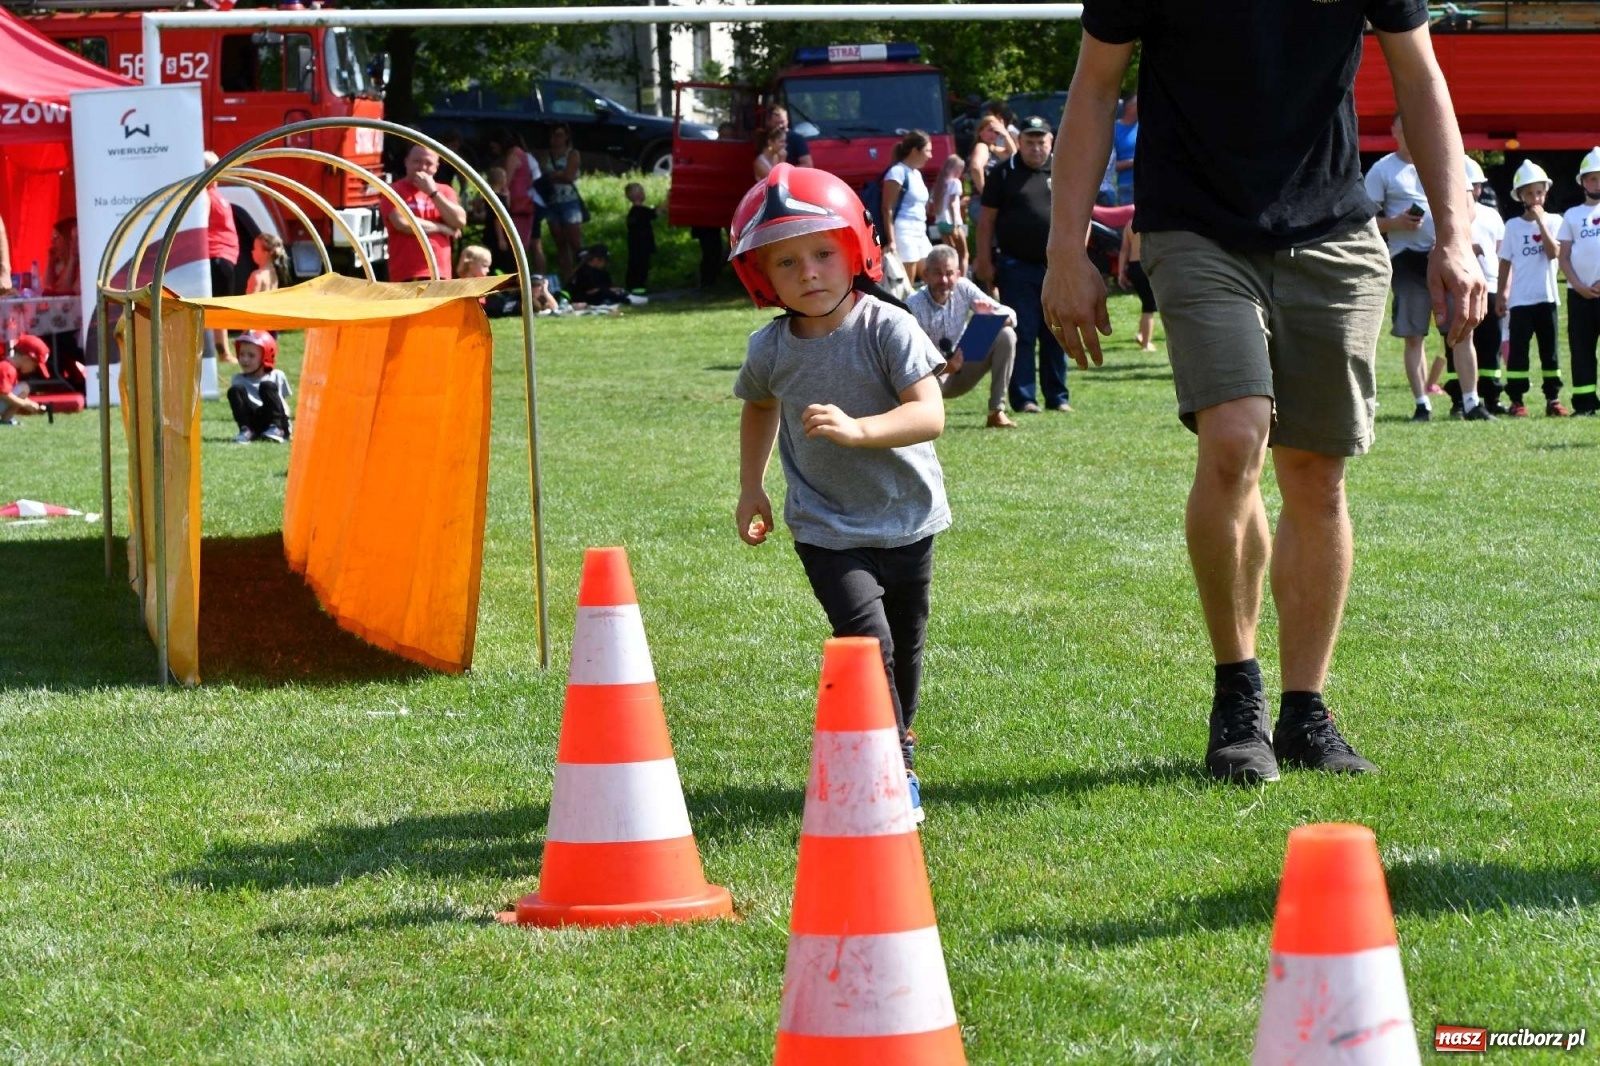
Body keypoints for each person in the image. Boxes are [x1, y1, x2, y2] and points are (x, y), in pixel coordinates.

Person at [1044, 0, 1486, 782]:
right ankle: (1238, 700)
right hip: (1196, 228)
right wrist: (1064, 250)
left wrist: (1456, 233)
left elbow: (1420, 78)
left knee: (1316, 472)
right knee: (1235, 435)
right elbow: (1096, 85)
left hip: (1333, 229)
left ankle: (1305, 712)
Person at [731, 162, 948, 822]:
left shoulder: (887, 327)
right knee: (866, 641)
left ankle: (899, 738)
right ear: (762, 278)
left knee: (905, 644)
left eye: (823, 253)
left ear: (856, 249)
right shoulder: (771, 348)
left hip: (907, 518)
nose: (809, 272)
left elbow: (930, 413)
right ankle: (893, 768)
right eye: (787, 262)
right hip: (825, 526)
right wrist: (751, 487)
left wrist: (860, 430)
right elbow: (759, 407)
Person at [977, 115, 1071, 414]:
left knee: (1057, 332)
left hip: (1056, 269)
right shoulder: (1003, 173)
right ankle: (1024, 397)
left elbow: (1080, 219)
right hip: (1015, 266)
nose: (1036, 148)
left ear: (1051, 142)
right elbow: (986, 221)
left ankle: (1058, 397)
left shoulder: (1063, 171)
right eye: (1029, 142)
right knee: (1024, 332)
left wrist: (1076, 258)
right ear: (1019, 142)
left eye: (1041, 142)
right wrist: (983, 260)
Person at [1365, 113, 1443, 422]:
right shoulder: (1382, 169)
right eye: (1404, 128)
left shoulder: (1436, 162)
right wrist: (1396, 222)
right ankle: (1422, 402)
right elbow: (1364, 221)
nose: (1410, 133)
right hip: (1405, 258)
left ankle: (1469, 400)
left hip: (1440, 256)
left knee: (1459, 332)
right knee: (1414, 335)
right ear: (1394, 131)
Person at [908, 245, 1018, 428]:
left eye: (949, 273)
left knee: (1006, 335)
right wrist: (945, 367)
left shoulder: (964, 288)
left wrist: (989, 318)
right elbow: (911, 362)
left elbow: (1010, 315)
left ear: (958, 275)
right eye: (938, 274)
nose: (944, 280)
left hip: (964, 364)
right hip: (932, 374)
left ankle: (996, 412)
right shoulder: (913, 305)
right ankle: (923, 416)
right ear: (925, 275)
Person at [1498, 160, 1569, 417]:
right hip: (1520, 300)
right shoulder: (1512, 227)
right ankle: (1517, 400)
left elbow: (1554, 253)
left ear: (1545, 193)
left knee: (1549, 352)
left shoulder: (1554, 221)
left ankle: (1553, 399)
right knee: (1518, 352)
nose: (1535, 197)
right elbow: (1505, 262)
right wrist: (1502, 294)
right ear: (1520, 196)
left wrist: (1540, 223)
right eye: (1529, 193)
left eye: (1539, 192)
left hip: (1547, 297)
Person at [1443, 156, 1501, 419]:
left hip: (1487, 283)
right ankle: (1462, 399)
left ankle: (1486, 397)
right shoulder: (1446, 215)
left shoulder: (1490, 214)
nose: (1474, 191)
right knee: (1458, 338)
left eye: (1477, 186)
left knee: (1488, 341)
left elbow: (1499, 250)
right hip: (1456, 285)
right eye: (1470, 186)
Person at [1556, 147, 1600, 416]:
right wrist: (1578, 285)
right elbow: (1563, 257)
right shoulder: (1572, 215)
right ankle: (1585, 404)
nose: (1597, 183)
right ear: (1582, 182)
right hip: (1579, 294)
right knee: (1581, 349)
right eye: (1592, 178)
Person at [385, 145, 466, 282]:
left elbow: (459, 221)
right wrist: (441, 228)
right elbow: (403, 224)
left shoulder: (445, 191)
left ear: (436, 167)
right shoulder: (394, 190)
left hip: (439, 272)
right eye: (416, 161)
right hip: (407, 273)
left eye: (428, 163)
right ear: (406, 162)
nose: (422, 167)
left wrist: (433, 193)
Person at [488, 128, 547, 279]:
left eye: (494, 146)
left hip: (516, 205)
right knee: (530, 244)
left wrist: (489, 194)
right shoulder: (522, 154)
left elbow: (505, 183)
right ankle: (533, 278)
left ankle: (518, 279)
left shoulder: (512, 156)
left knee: (515, 247)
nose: (494, 150)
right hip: (525, 202)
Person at [881, 130, 935, 286]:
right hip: (904, 231)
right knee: (907, 282)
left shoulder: (916, 174)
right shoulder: (897, 172)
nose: (930, 156)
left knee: (931, 275)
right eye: (927, 151)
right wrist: (892, 241)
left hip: (920, 231)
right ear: (915, 151)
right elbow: (887, 208)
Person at [202, 150, 240, 361]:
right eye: (216, 167)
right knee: (219, 307)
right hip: (216, 256)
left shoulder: (216, 194)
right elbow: (202, 226)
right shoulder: (205, 196)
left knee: (221, 306)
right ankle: (223, 352)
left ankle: (221, 352)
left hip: (224, 257)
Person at [227, 330, 292, 444]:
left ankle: (277, 429)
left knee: (267, 386)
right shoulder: (237, 379)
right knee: (235, 390)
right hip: (255, 423)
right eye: (242, 354)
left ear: (266, 356)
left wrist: (288, 425)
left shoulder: (277, 375)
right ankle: (247, 430)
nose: (245, 359)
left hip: (275, 419)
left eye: (251, 355)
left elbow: (283, 403)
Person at [541, 124, 585, 281]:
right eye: (554, 135)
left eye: (560, 134)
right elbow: (543, 176)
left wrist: (554, 175)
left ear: (566, 136)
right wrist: (558, 174)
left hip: (569, 201)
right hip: (552, 201)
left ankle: (583, 276)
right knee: (560, 242)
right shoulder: (546, 155)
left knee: (575, 242)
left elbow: (569, 176)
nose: (557, 138)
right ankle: (567, 278)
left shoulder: (572, 154)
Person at [1116, 221, 1158, 351]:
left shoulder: (1129, 224)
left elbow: (1124, 250)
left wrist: (1120, 273)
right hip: (1148, 265)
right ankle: (1146, 343)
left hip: (1134, 267)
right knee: (1149, 307)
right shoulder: (1153, 220)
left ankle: (1141, 334)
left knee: (1146, 302)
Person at [931, 154, 969, 277]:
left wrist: (961, 203)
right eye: (960, 169)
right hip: (951, 222)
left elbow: (936, 204)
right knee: (964, 254)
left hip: (940, 222)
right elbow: (952, 204)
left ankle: (949, 276)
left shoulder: (939, 183)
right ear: (956, 168)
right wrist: (956, 225)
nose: (961, 172)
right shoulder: (955, 182)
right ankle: (962, 279)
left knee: (950, 254)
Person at [1, 335, 50, 423]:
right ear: (27, 358)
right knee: (24, 388)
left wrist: (31, 404)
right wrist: (24, 404)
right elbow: (3, 394)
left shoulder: (9, 367)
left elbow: (9, 393)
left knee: (23, 389)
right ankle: (6, 420)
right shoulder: (6, 368)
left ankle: (7, 420)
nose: (34, 369)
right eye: (35, 365)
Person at [624, 182, 657, 292]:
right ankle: (638, 288)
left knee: (636, 265)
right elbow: (655, 213)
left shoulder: (633, 212)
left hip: (635, 245)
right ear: (637, 195)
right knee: (641, 267)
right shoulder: (640, 211)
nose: (644, 193)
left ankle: (634, 286)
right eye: (641, 191)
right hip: (642, 245)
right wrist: (668, 200)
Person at [1113, 92, 1139, 205]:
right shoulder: (1114, 130)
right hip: (1126, 187)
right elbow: (1111, 165)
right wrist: (1134, 162)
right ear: (1129, 107)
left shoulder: (1144, 127)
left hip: (1147, 183)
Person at [42, 217, 78, 297]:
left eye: (55, 237)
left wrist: (72, 258)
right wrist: (50, 262)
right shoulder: (61, 265)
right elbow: (48, 286)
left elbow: (63, 291)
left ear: (67, 238)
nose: (52, 242)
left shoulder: (80, 264)